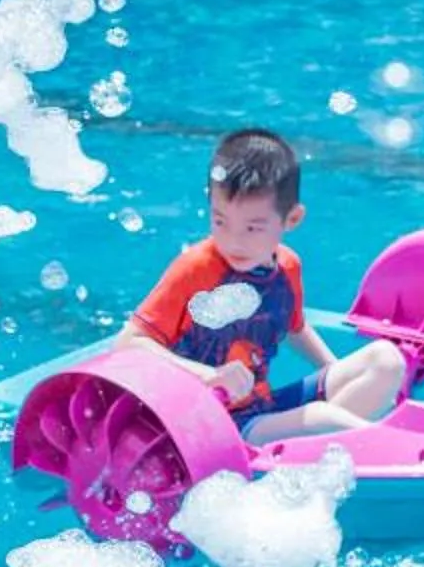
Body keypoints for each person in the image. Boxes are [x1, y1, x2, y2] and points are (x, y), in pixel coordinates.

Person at [123, 128, 405, 441]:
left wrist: (336, 371)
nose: (233, 241)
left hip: (261, 409)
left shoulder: (287, 267)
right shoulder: (196, 269)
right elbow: (129, 343)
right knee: (324, 417)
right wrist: (209, 376)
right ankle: (399, 446)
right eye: (220, 221)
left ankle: (326, 449)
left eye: (253, 228)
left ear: (292, 219)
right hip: (216, 428)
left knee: (386, 360)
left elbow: (295, 328)